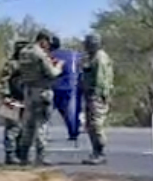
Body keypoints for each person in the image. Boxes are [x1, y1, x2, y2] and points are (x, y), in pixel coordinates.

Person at [15, 30, 63, 166]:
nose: (48, 46)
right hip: (42, 91)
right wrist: (58, 66)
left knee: (28, 125)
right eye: (48, 43)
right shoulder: (40, 54)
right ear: (44, 40)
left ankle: (23, 156)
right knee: (41, 125)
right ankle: (40, 157)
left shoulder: (24, 52)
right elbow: (52, 73)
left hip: (28, 91)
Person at [81, 33, 114, 165]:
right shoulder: (92, 57)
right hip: (91, 95)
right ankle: (95, 151)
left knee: (96, 124)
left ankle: (100, 152)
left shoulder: (100, 58)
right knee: (90, 125)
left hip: (97, 95)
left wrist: (97, 95)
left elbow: (101, 79)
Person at [0, 40, 27, 165]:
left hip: (25, 99)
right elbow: (3, 80)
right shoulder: (11, 64)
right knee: (12, 128)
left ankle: (20, 154)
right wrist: (6, 96)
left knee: (24, 128)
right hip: (12, 98)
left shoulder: (28, 65)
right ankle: (10, 154)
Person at [48, 35, 81, 144]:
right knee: (70, 111)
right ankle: (73, 132)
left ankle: (39, 133)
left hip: (56, 86)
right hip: (72, 86)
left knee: (46, 112)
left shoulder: (49, 56)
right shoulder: (72, 54)